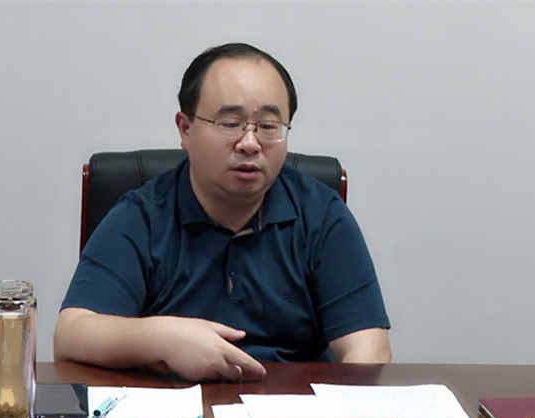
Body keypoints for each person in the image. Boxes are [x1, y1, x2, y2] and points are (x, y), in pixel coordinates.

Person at [54, 42, 391, 381]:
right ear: (185, 129)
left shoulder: (321, 216)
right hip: (174, 406)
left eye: (268, 126)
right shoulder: (142, 216)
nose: (250, 143)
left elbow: (370, 351)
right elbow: (71, 335)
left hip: (291, 407)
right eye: (230, 123)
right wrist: (162, 336)